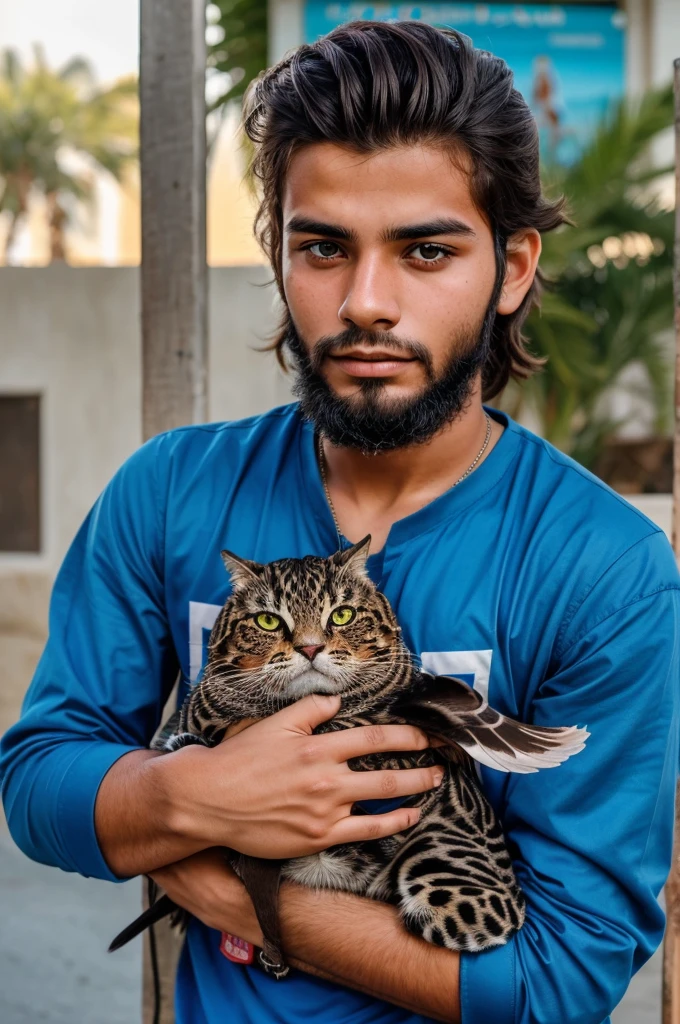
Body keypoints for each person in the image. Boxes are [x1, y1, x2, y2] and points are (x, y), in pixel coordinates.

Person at [1, 21, 678, 1024]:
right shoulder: (170, 493)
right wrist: (202, 796)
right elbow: (38, 782)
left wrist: (230, 885)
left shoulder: (602, 569)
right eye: (321, 246)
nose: (365, 301)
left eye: (425, 250)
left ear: (514, 265)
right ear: (277, 254)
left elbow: (555, 983)